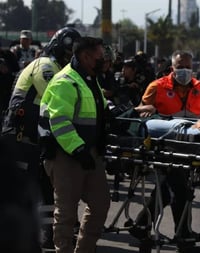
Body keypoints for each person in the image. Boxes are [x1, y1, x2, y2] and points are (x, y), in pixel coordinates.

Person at [1, 26, 81, 251]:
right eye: (67, 51)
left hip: (37, 139)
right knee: (19, 190)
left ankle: (45, 237)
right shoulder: (45, 65)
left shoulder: (61, 69)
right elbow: (55, 95)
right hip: (21, 138)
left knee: (45, 188)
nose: (69, 56)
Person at [38, 36, 111, 253]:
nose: (104, 60)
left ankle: (85, 249)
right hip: (66, 156)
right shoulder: (65, 81)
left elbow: (99, 110)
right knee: (66, 213)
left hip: (90, 154)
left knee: (100, 204)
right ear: (86, 56)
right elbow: (59, 121)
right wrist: (78, 149)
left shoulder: (90, 79)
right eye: (100, 56)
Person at [129, 50, 200, 253]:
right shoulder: (157, 87)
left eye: (188, 67)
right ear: (172, 68)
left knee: (167, 188)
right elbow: (142, 117)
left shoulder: (198, 88)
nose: (185, 71)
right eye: (180, 67)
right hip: (163, 147)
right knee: (180, 189)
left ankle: (142, 224)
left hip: (190, 146)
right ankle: (184, 236)